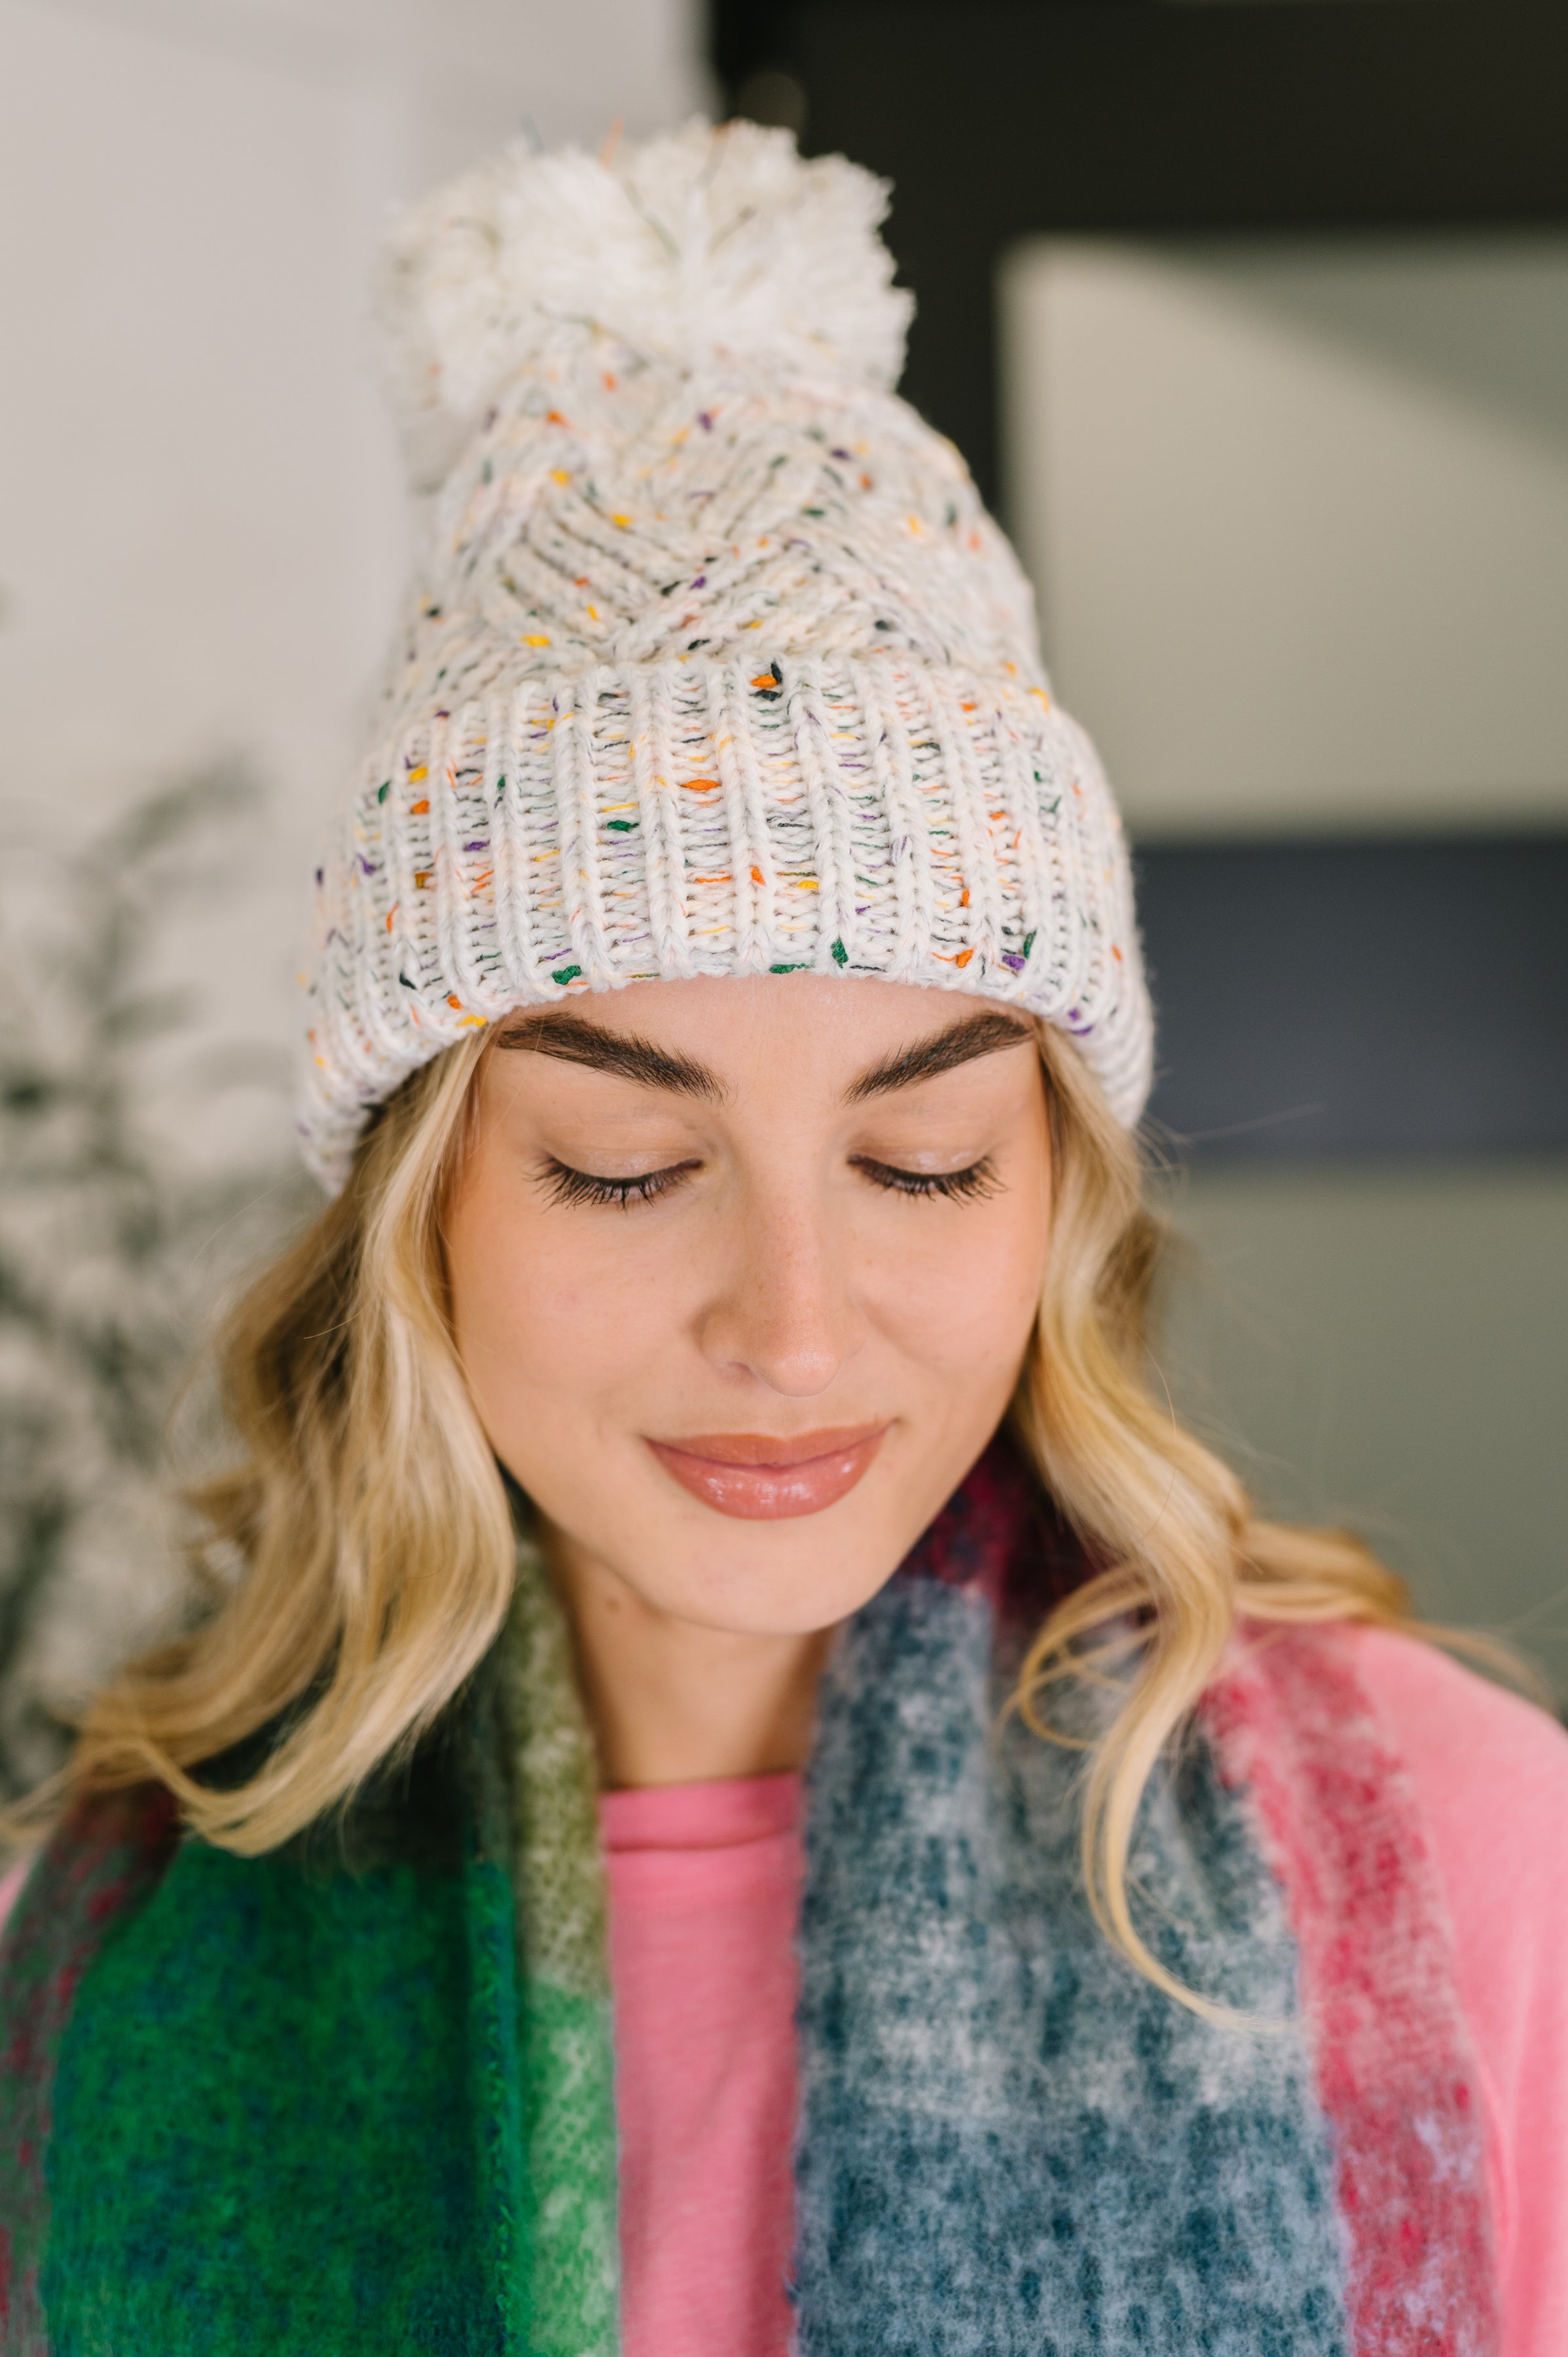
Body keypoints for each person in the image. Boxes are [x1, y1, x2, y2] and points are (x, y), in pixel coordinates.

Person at [0, 121, 1563, 2357]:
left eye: (920, 1158)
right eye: (625, 1170)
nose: (794, 1327)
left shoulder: (1473, 1882)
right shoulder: (71, 1973)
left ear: (1054, 1196)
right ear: (414, 1209)